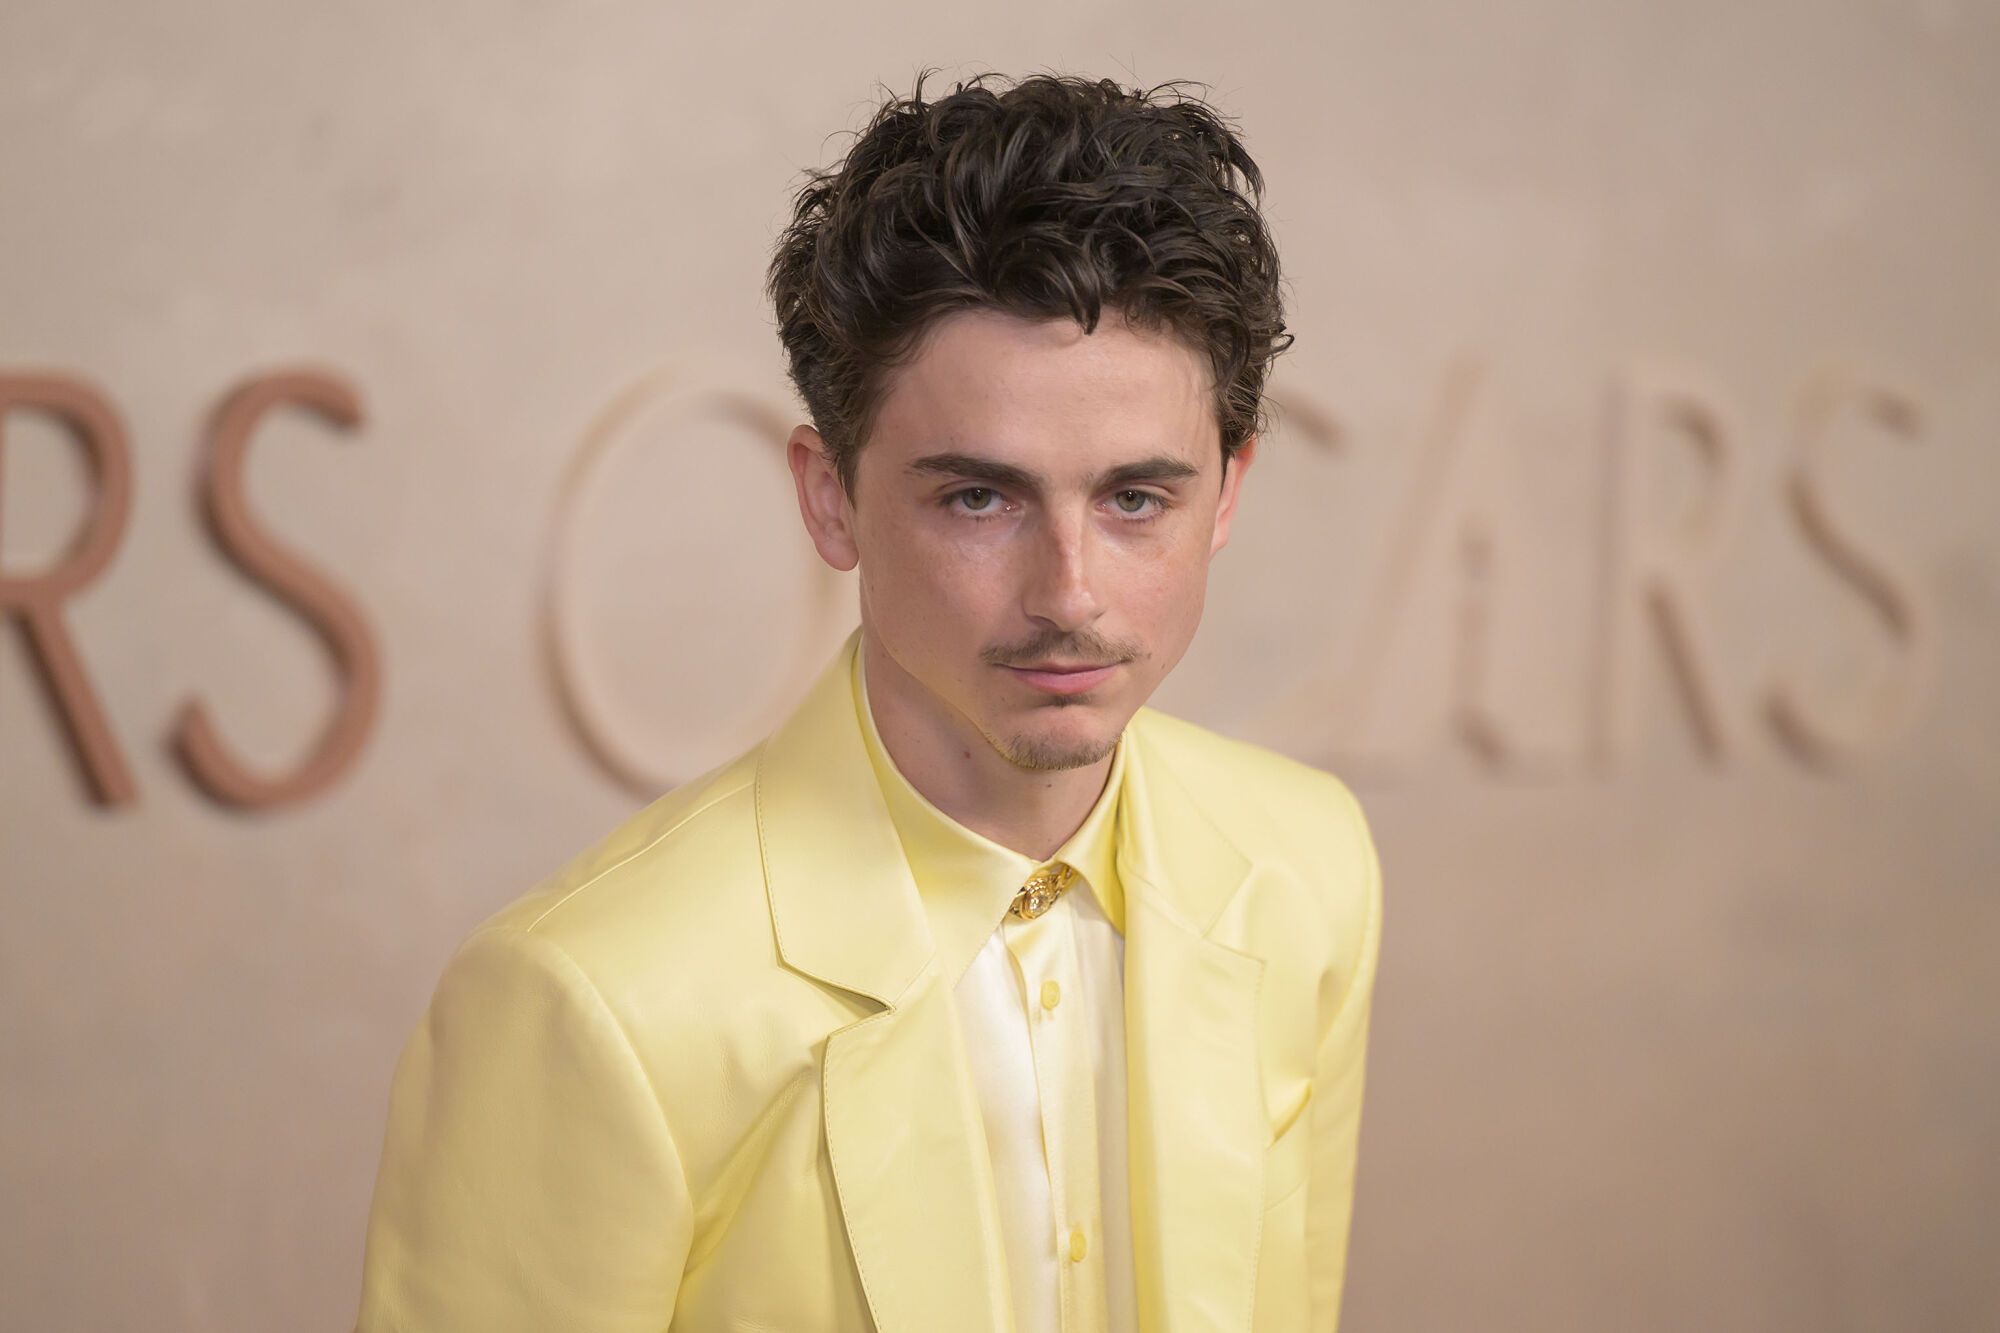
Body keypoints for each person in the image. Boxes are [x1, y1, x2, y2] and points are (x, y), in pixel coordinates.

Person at [353, 68, 1383, 1333]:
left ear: (1225, 493)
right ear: (827, 495)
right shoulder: (589, 1000)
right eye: (977, 497)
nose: (1070, 593)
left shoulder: (1307, 865)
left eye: (1134, 498)